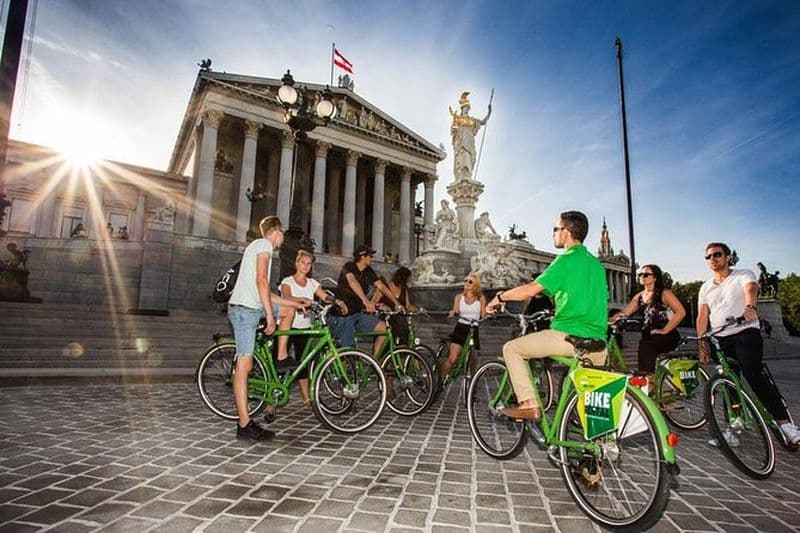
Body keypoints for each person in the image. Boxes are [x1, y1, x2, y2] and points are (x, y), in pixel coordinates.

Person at [486, 211, 608, 421]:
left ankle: (528, 403)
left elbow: (531, 290)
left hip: (569, 336)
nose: (553, 234)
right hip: (599, 343)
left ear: (567, 232)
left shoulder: (566, 260)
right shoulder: (595, 264)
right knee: (590, 407)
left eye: (555, 229)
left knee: (512, 349)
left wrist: (500, 297)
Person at [697, 242, 800, 445]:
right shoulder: (706, 287)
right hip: (720, 338)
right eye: (708, 256)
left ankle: (785, 424)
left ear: (727, 257)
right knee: (728, 383)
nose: (712, 259)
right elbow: (702, 316)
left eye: (717, 254)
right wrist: (702, 342)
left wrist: (750, 307)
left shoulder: (743, 274)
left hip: (745, 332)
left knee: (753, 373)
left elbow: (751, 288)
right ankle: (734, 427)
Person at [228, 216, 310, 441]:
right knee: (244, 365)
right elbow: (262, 282)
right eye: (282, 232)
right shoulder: (263, 244)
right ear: (275, 231)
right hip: (244, 310)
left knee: (288, 312)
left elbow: (266, 293)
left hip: (252, 306)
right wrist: (270, 318)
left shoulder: (259, 248)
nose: (283, 237)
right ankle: (244, 424)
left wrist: (295, 303)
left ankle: (281, 356)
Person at [275, 250, 345, 406]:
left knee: (303, 364)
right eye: (303, 262)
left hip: (304, 327)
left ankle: (307, 399)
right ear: (296, 264)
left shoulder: (313, 283)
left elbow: (324, 295)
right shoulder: (288, 281)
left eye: (309, 263)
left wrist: (337, 301)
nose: (306, 266)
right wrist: (302, 300)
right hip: (286, 327)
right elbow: (286, 297)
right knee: (278, 364)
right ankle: (270, 404)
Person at [610, 264, 686, 390]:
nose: (642, 277)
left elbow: (681, 312)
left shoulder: (664, 293)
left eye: (646, 274)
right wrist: (609, 321)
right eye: (640, 274)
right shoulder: (639, 296)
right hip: (649, 337)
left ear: (655, 277)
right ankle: (647, 384)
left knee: (646, 347)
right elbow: (624, 313)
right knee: (645, 346)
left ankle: (648, 386)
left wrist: (665, 330)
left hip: (668, 335)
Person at [328, 245, 404, 356]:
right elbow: (352, 281)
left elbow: (382, 287)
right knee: (347, 351)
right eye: (370, 256)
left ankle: (375, 363)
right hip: (343, 314)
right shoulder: (349, 266)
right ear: (362, 256)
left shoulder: (368, 271)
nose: (372, 258)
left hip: (358, 313)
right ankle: (343, 370)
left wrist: (396, 303)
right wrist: (365, 300)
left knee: (384, 329)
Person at [440, 272, 486, 379]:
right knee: (452, 358)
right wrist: (453, 313)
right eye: (465, 281)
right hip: (461, 327)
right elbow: (456, 310)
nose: (467, 283)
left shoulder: (481, 298)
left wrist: (488, 314)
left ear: (476, 284)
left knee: (474, 360)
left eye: (470, 281)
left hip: (473, 328)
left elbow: (483, 314)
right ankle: (441, 378)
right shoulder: (458, 297)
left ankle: (473, 384)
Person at [449, 91, 491, 181]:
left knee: (472, 157)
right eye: (465, 108)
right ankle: (462, 175)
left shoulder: (472, 120)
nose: (467, 109)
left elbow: (483, 122)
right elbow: (453, 130)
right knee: (464, 157)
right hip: (462, 141)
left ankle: (468, 175)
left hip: (470, 140)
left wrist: (489, 112)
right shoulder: (458, 119)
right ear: (462, 108)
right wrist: (455, 128)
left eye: (468, 108)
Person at [372, 266, 416, 346]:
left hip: (399, 320)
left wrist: (418, 310)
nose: (408, 282)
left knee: (406, 331)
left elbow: (407, 305)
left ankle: (403, 352)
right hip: (387, 317)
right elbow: (373, 301)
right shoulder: (385, 287)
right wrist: (381, 306)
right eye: (407, 279)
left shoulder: (404, 289)